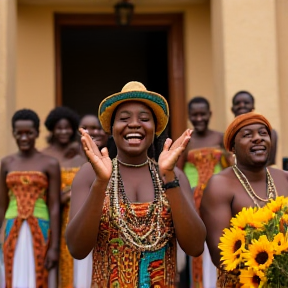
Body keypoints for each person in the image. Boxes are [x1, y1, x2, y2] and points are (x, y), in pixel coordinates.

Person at [66, 81, 206, 288]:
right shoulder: (90, 175)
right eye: (124, 119)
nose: (134, 124)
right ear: (112, 129)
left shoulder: (173, 176)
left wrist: (168, 176)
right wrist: (100, 184)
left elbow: (195, 247)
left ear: (155, 129)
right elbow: (77, 249)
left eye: (144, 119)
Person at [200, 112, 288, 287]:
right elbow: (222, 258)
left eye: (263, 134)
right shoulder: (219, 185)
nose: (258, 139)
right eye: (248, 135)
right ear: (232, 148)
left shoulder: (285, 178)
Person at [0, 109, 61, 288]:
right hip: (12, 229)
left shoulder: (49, 163)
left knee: (39, 276)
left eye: (29, 133)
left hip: (41, 228)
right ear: (13, 134)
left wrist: (54, 247)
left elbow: (55, 205)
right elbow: (2, 206)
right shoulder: (6, 163)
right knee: (13, 274)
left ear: (37, 133)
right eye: (19, 133)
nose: (24, 138)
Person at [177, 96, 230, 288]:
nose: (199, 118)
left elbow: (230, 166)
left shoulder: (220, 138)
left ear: (210, 114)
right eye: (194, 115)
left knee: (220, 241)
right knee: (199, 245)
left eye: (203, 114)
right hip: (194, 199)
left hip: (218, 198)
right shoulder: (186, 141)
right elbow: (179, 171)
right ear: (189, 116)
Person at [231, 91, 278, 166]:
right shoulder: (229, 136)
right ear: (232, 109)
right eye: (237, 103)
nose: (242, 105)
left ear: (253, 107)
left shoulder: (271, 133)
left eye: (246, 103)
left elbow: (270, 160)